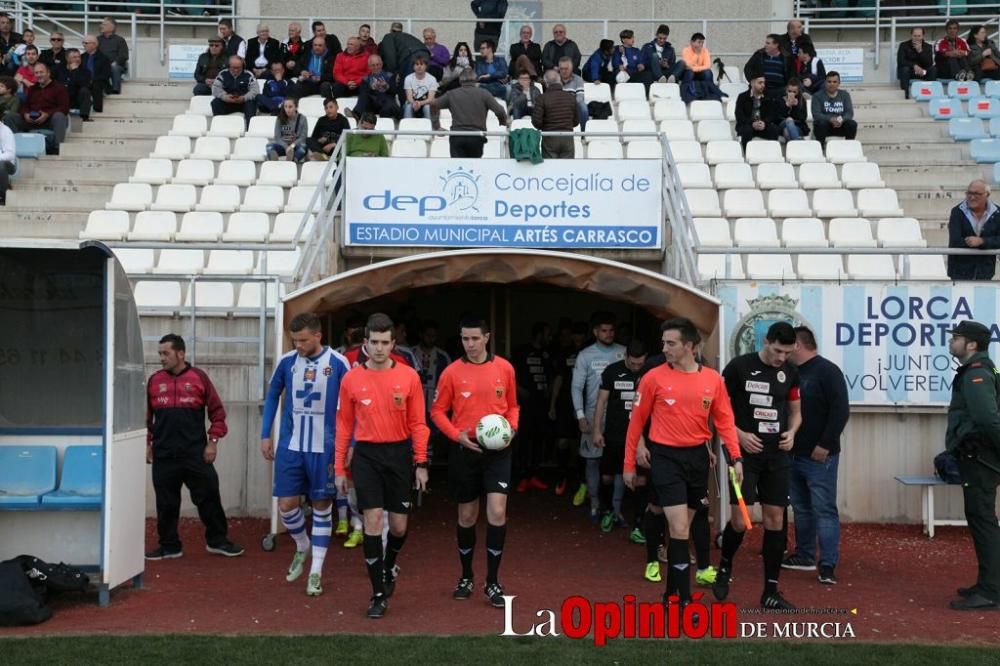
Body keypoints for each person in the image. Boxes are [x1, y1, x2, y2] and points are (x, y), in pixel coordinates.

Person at [624, 318, 743, 606]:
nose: (664, 348)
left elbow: (725, 420)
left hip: (698, 459)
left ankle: (669, 593)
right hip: (665, 458)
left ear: (690, 346)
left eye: (671, 343)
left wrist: (735, 457)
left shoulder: (713, 379)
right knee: (678, 528)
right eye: (663, 342)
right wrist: (629, 463)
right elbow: (636, 422)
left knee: (683, 531)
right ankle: (685, 600)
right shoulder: (653, 377)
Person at [335, 313, 430, 619]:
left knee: (399, 527)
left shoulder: (409, 376)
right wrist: (339, 468)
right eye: (373, 342)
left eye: (384, 343)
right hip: (367, 457)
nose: (378, 348)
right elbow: (343, 426)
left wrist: (421, 462)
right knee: (373, 521)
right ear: (365, 343)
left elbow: (418, 423)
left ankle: (389, 564)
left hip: (400, 455)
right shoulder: (351, 379)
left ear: (393, 343)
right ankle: (377, 595)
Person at [431, 316, 519, 607]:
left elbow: (513, 406)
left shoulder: (504, 368)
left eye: (474, 338)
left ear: (487, 338)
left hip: (498, 452)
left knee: (497, 511)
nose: (469, 344)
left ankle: (493, 582)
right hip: (465, 450)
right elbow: (438, 413)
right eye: (465, 339)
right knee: (467, 517)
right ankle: (466, 576)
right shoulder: (452, 373)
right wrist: (457, 436)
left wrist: (512, 429)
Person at [260, 313, 350, 595]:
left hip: (324, 448)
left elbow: (352, 405)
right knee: (286, 505)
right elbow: (273, 394)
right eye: (294, 340)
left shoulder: (338, 363)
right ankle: (302, 544)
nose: (297, 345)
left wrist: (350, 445)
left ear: (318, 336)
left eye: (302, 340)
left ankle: (315, 572)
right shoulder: (287, 362)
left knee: (322, 506)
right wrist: (266, 434)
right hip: (291, 445)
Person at [715, 322, 802, 611]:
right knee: (743, 519)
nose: (781, 358)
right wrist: (739, 434)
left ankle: (771, 591)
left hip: (776, 455)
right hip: (744, 454)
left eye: (787, 353)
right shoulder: (739, 367)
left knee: (776, 518)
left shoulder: (790, 372)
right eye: (777, 350)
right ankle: (725, 565)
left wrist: (792, 432)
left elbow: (796, 412)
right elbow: (719, 408)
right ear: (766, 341)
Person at [146, 334, 244, 560]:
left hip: (195, 453)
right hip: (164, 455)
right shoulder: (154, 381)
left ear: (180, 353)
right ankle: (170, 546)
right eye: (160, 354)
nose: (161, 358)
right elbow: (147, 417)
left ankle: (217, 541)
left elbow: (218, 413)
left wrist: (213, 442)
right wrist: (148, 443)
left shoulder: (199, 378)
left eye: (166, 353)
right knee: (166, 503)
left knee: (209, 497)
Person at [783, 326, 849, 586]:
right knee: (800, 507)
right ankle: (805, 555)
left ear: (797, 345)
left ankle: (828, 563)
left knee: (823, 509)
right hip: (793, 453)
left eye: (787, 345)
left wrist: (826, 444)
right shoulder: (790, 373)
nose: (783, 351)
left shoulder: (827, 371)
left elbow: (840, 410)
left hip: (820, 455)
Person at [945, 320, 1000, 611]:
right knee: (980, 519)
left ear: (972, 345)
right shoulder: (979, 370)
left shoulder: (977, 373)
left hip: (980, 459)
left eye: (957, 338)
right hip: (977, 457)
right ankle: (987, 584)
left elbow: (987, 419)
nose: (951, 341)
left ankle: (991, 591)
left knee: (983, 521)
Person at [571, 312, 626, 522]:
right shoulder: (585, 355)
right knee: (592, 462)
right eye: (604, 330)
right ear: (595, 332)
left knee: (620, 463)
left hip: (618, 418)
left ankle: (616, 509)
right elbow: (576, 388)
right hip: (593, 417)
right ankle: (594, 505)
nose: (608, 334)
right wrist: (580, 415)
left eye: (611, 330)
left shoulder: (623, 352)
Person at [593, 339, 648, 533]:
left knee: (641, 481)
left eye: (639, 364)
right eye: (632, 363)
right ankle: (607, 510)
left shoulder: (649, 373)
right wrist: (597, 430)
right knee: (607, 476)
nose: (635, 367)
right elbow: (601, 401)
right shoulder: (612, 371)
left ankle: (639, 524)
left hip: (641, 437)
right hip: (615, 433)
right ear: (626, 357)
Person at [512, 322, 552, 493]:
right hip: (524, 404)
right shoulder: (521, 351)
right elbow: (509, 375)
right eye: (546, 333)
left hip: (541, 404)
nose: (549, 337)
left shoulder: (548, 353)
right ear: (538, 334)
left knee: (538, 439)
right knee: (523, 440)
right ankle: (522, 477)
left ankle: (534, 475)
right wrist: (519, 390)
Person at [432, 67, 507, 158]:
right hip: (476, 136)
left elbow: (434, 105)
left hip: (457, 136)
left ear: (460, 80)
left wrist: (436, 126)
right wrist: (502, 121)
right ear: (475, 79)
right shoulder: (484, 93)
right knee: (473, 169)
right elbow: (500, 110)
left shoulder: (451, 94)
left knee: (458, 168)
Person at [4, 62, 69, 155]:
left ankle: (57, 148)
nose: (38, 75)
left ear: (48, 73)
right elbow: (25, 106)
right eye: (36, 73)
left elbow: (64, 108)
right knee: (10, 117)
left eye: (41, 72)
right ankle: (12, 147)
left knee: (59, 116)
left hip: (49, 121)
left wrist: (47, 114)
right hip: (31, 120)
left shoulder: (59, 88)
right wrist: (25, 114)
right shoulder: (32, 88)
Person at [947, 179, 1000, 280]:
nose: (971, 197)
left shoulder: (997, 213)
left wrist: (982, 241)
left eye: (976, 194)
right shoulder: (957, 212)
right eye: (969, 193)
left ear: (987, 195)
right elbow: (955, 241)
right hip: (959, 272)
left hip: (985, 272)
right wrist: (971, 242)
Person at [531, 69, 578, 158]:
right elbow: (576, 121)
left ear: (545, 83)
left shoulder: (542, 98)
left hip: (549, 137)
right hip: (567, 137)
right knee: (567, 169)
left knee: (550, 169)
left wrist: (546, 126)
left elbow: (536, 122)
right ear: (559, 80)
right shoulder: (571, 97)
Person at [811, 71, 856, 147]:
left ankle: (849, 148)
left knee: (852, 124)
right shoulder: (817, 96)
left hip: (840, 125)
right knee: (820, 123)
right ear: (825, 83)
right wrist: (830, 119)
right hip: (825, 126)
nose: (832, 84)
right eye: (829, 82)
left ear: (839, 83)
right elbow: (816, 114)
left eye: (835, 82)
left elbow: (849, 113)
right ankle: (820, 149)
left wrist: (840, 120)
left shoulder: (845, 95)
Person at [211, 55, 257, 126]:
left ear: (242, 66)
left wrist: (244, 98)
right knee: (215, 102)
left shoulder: (249, 75)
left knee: (251, 103)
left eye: (238, 67)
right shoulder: (223, 74)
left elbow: (255, 90)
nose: (236, 70)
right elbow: (215, 88)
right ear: (229, 66)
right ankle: (219, 126)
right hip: (227, 102)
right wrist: (225, 97)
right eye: (233, 68)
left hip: (243, 103)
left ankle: (249, 129)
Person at [744, 34, 795, 99]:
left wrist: (789, 87)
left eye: (768, 43)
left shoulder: (787, 58)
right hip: (761, 89)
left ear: (776, 45)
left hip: (780, 90)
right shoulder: (759, 54)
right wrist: (753, 81)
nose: (765, 45)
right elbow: (747, 68)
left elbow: (792, 75)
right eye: (766, 43)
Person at [736, 74, 777, 149]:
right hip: (748, 125)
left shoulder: (768, 97)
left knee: (773, 130)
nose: (763, 85)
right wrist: (752, 123)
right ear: (752, 83)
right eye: (760, 83)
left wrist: (765, 122)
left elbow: (772, 114)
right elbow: (739, 116)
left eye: (764, 83)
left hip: (763, 125)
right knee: (747, 131)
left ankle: (772, 153)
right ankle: (746, 154)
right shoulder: (742, 97)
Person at [355, 54, 400, 119]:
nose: (376, 67)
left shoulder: (390, 76)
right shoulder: (365, 79)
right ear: (369, 67)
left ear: (381, 64)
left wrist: (386, 86)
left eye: (378, 64)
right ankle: (356, 115)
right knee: (363, 97)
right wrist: (371, 88)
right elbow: (362, 93)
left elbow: (394, 91)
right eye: (373, 65)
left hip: (385, 103)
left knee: (388, 104)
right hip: (372, 105)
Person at [897, 27, 935, 98]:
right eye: (914, 36)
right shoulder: (903, 45)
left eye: (919, 36)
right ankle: (905, 96)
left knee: (933, 69)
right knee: (905, 69)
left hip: (923, 72)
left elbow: (929, 63)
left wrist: (920, 51)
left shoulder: (928, 46)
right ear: (911, 35)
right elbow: (901, 61)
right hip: (910, 72)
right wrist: (914, 66)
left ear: (923, 36)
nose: (916, 38)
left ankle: (930, 94)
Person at [267, 97, 307, 162]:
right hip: (283, 145)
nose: (287, 109)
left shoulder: (302, 119)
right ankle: (275, 161)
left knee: (303, 148)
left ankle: (292, 160)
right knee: (269, 146)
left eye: (290, 107)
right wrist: (286, 147)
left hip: (296, 145)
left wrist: (292, 146)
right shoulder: (280, 118)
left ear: (296, 107)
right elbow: (277, 137)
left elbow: (303, 137)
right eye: (285, 107)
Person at [771, 78, 809, 142]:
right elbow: (775, 117)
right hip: (781, 125)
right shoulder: (779, 99)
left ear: (798, 92)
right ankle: (799, 144)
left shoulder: (802, 101)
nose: (791, 93)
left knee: (786, 132)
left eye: (794, 92)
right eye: (789, 91)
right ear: (786, 90)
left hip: (797, 126)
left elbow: (803, 118)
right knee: (789, 120)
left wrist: (796, 107)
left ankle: (793, 148)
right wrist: (787, 106)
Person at [80, 35, 110, 115]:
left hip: (98, 82)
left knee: (96, 85)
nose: (83, 45)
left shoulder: (104, 58)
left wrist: (92, 80)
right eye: (83, 43)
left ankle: (97, 110)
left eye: (86, 43)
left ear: (94, 44)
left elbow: (106, 75)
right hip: (84, 83)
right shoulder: (81, 57)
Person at [61, 49, 94, 122]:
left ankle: (84, 117)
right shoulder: (58, 69)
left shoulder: (86, 72)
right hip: (62, 97)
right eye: (74, 57)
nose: (77, 59)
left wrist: (75, 71)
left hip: (76, 99)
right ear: (67, 58)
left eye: (79, 57)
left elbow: (84, 85)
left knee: (85, 90)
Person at [97, 17, 128, 94]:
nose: (101, 26)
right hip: (101, 64)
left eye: (104, 24)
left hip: (116, 65)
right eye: (102, 24)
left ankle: (115, 90)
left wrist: (115, 62)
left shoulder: (120, 40)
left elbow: (124, 55)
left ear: (112, 27)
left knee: (114, 68)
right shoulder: (97, 39)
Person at [403, 55, 438, 120]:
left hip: (427, 103)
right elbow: (409, 97)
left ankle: (430, 128)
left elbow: (430, 99)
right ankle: (407, 128)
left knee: (427, 107)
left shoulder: (432, 79)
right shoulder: (408, 78)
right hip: (412, 103)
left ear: (426, 66)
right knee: (408, 107)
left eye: (421, 64)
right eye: (416, 64)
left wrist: (420, 103)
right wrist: (414, 103)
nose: (419, 66)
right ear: (413, 66)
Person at [680, 33, 715, 98]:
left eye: (702, 42)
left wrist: (694, 68)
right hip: (689, 73)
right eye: (699, 42)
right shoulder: (686, 50)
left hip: (700, 73)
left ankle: (709, 93)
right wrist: (696, 54)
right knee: (690, 73)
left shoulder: (705, 51)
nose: (701, 45)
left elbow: (708, 66)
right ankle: (684, 93)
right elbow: (688, 64)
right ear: (692, 42)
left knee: (708, 72)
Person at [557, 56, 587, 130]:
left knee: (582, 106)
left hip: (573, 106)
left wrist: (568, 104)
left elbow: (580, 98)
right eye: (561, 69)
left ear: (571, 68)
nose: (563, 71)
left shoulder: (578, 80)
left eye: (566, 69)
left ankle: (583, 133)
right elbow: (551, 97)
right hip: (557, 106)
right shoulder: (555, 79)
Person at [0, 120, 14, 205]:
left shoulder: (5, 131)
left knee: (0, 165)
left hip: (7, 164)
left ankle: (2, 195)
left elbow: (10, 154)